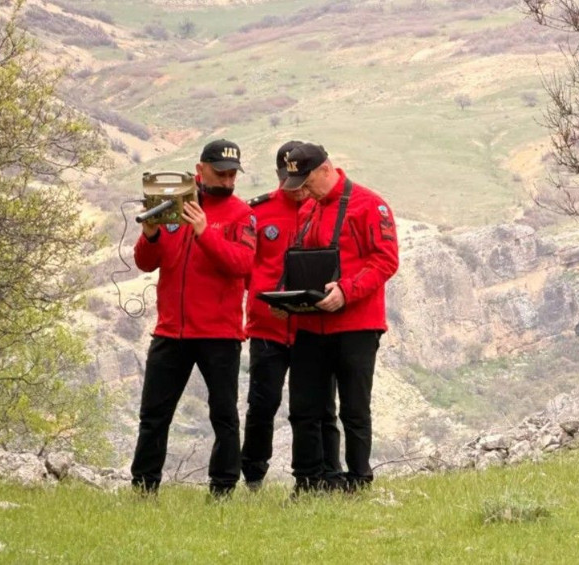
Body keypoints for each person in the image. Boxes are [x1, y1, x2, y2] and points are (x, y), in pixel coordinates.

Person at [130, 139, 256, 498]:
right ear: (200, 170)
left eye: (233, 174)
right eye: (221, 173)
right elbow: (145, 262)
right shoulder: (172, 207)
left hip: (219, 334)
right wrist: (151, 233)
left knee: (223, 415)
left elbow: (242, 265)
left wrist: (205, 233)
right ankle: (143, 487)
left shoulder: (242, 215)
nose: (228, 181)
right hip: (171, 330)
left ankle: (223, 488)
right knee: (154, 415)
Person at [281, 142, 399, 494]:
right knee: (305, 407)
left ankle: (359, 479)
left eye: (306, 180)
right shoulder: (307, 209)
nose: (302, 188)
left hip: (357, 326)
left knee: (354, 408)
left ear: (325, 169)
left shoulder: (368, 205)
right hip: (310, 325)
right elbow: (300, 263)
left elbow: (385, 261)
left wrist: (347, 290)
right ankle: (311, 481)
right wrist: (286, 297)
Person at [241, 140, 343, 490]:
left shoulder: (323, 208)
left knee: (320, 407)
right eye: (289, 179)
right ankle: (253, 475)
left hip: (310, 328)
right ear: (279, 175)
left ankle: (327, 475)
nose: (297, 190)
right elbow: (243, 268)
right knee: (262, 403)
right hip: (267, 327)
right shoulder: (257, 212)